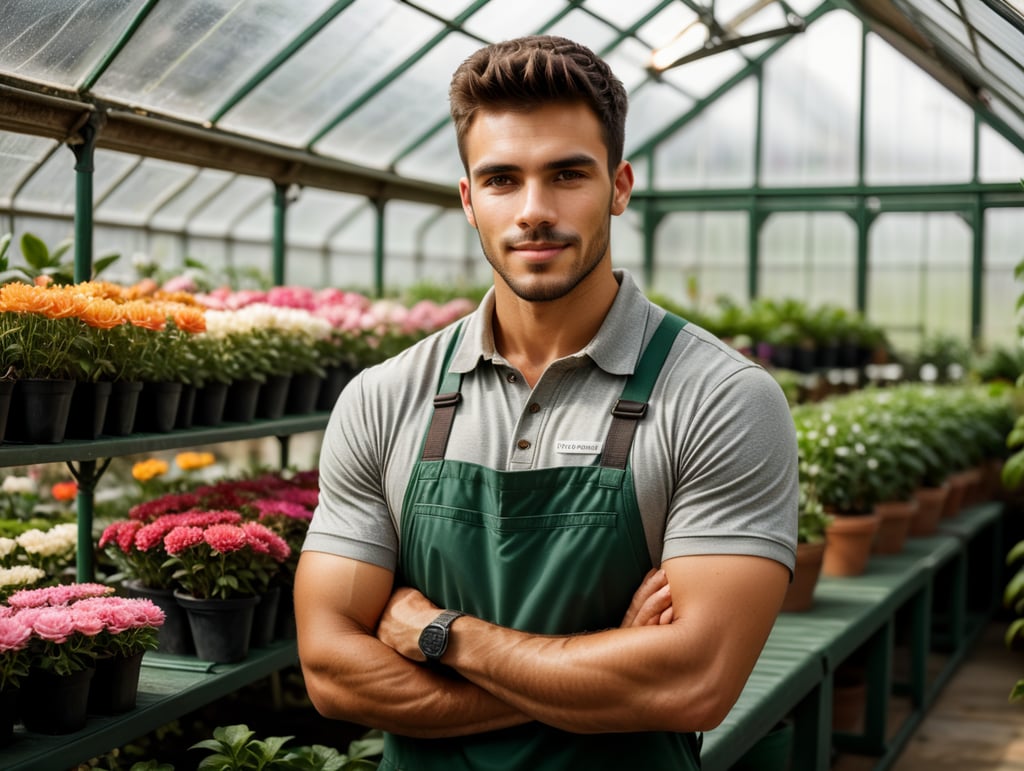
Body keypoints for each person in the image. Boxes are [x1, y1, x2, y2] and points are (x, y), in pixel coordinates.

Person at [295, 34, 798, 770]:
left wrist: (442, 634)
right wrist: (607, 677)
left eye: (568, 174)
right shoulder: (384, 399)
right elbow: (331, 671)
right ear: (468, 199)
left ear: (619, 187)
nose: (534, 210)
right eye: (502, 180)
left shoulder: (720, 399)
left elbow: (694, 680)